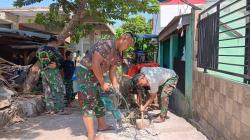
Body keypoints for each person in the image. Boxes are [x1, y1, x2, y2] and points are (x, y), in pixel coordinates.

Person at [74, 32, 135, 140]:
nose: (128, 47)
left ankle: (102, 126)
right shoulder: (105, 45)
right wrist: (102, 83)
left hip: (97, 74)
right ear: (124, 38)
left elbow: (112, 72)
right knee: (88, 102)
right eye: (128, 44)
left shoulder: (118, 54)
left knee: (98, 100)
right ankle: (91, 135)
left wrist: (115, 85)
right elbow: (95, 64)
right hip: (86, 72)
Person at [37, 36, 66, 114]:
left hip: (44, 72)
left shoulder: (40, 49)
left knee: (47, 91)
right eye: (56, 44)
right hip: (53, 72)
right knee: (58, 89)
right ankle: (59, 109)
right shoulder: (54, 50)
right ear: (54, 42)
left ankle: (50, 109)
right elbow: (62, 60)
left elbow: (38, 58)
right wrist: (57, 65)